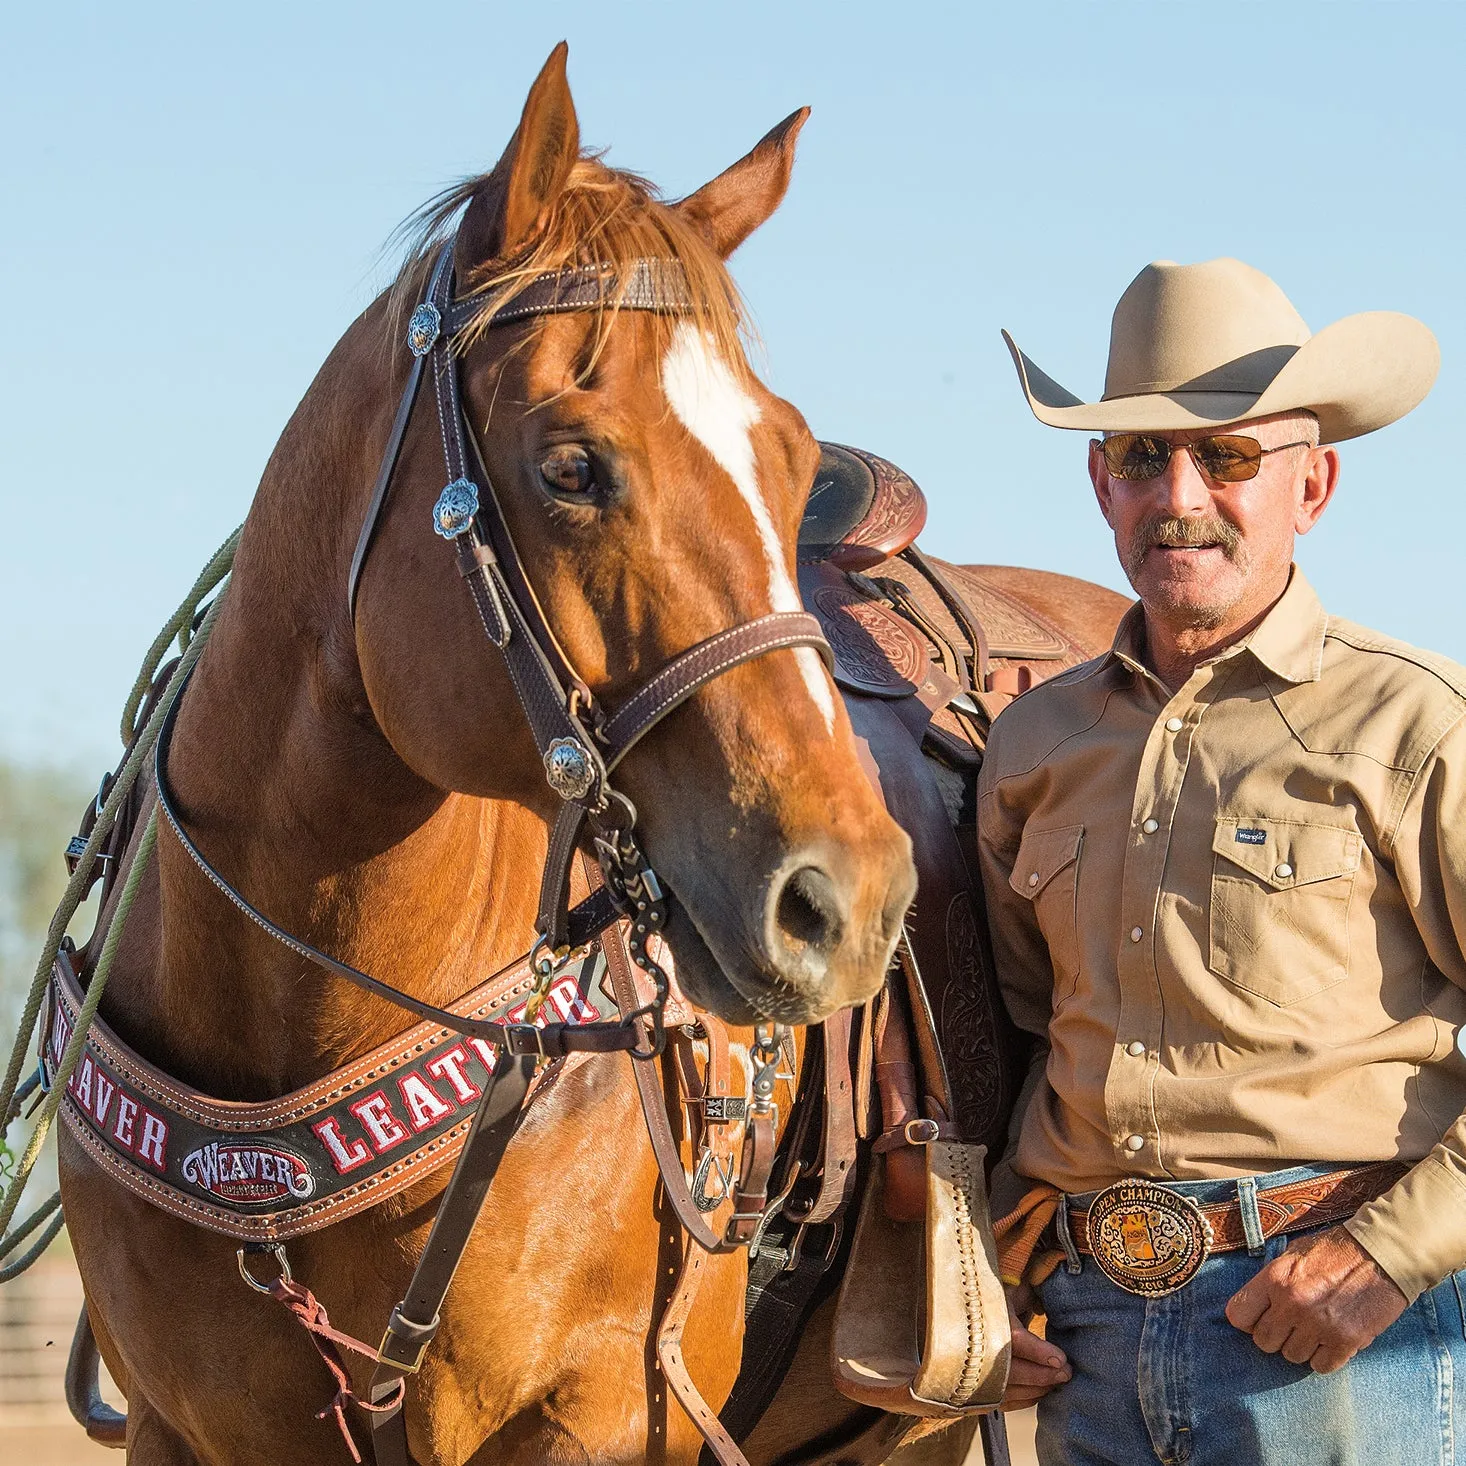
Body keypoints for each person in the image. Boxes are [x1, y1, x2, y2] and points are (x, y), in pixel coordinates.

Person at [977, 257, 1461, 1465]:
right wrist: (995, 1251)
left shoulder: (1416, 726)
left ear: (1314, 484)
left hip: (1337, 1327)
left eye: (1227, 457)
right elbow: (1028, 1036)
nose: (1177, 493)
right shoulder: (1033, 744)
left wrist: (1391, 1251)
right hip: (1085, 1332)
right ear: (1100, 483)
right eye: (1140, 456)